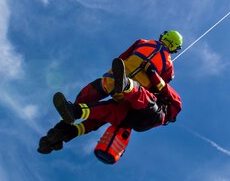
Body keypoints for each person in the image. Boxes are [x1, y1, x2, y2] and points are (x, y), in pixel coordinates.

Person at [38, 30, 183, 155]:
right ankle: (64, 131)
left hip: (111, 79)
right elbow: (159, 89)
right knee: (103, 114)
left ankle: (60, 129)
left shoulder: (143, 42)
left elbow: (122, 57)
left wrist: (118, 71)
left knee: (87, 96)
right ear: (175, 47)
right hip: (129, 93)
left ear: (164, 36)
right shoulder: (169, 67)